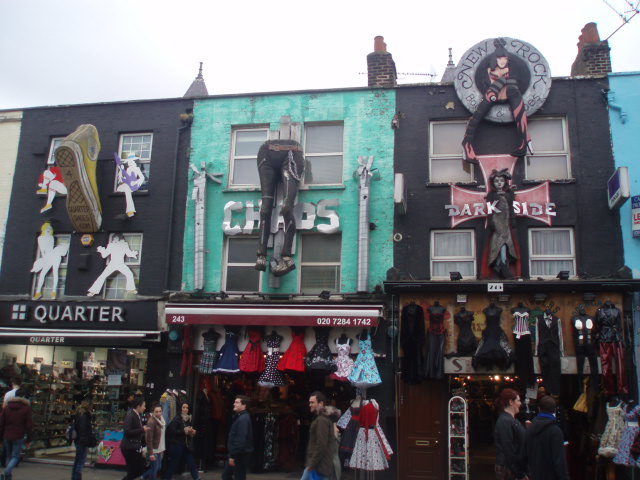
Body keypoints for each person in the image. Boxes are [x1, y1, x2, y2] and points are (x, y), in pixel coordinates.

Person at [462, 37, 532, 163]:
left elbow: (514, 82)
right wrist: (502, 82)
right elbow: (489, 86)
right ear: (495, 58)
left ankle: (524, 140)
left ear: (507, 59)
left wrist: (500, 82)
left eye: (504, 58)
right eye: (499, 58)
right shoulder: (490, 71)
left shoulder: (511, 70)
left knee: (512, 89)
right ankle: (467, 142)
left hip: (506, 94)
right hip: (493, 95)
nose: (502, 61)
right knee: (483, 106)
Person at [524, 395, 569, 480]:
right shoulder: (555, 431)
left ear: (539, 408)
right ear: (554, 410)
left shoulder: (529, 429)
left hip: (533, 475)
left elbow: (524, 455)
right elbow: (559, 461)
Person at [486, 168, 516, 278]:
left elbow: (512, 208)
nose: (499, 183)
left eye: (501, 181)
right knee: (499, 243)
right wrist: (491, 222)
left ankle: (500, 264)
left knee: (504, 243)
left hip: (505, 222)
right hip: (496, 222)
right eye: (496, 181)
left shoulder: (509, 194)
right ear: (493, 183)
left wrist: (513, 219)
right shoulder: (491, 195)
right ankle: (501, 264)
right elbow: (490, 210)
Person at [301, 391, 337, 480]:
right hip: (318, 465)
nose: (310, 405)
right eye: (309, 402)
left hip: (319, 467)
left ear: (321, 403)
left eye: (312, 402)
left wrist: (312, 464)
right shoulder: (321, 418)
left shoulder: (322, 420)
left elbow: (321, 444)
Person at [494, 389, 527, 480]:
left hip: (511, 468)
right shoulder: (505, 421)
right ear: (511, 402)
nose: (520, 403)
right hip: (508, 469)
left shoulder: (511, 420)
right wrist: (518, 472)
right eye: (518, 400)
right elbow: (508, 448)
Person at [0, 388, 33, 480]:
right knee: (15, 456)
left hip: (7, 434)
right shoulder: (26, 408)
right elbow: (29, 425)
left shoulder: (7, 407)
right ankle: (7, 471)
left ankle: (8, 476)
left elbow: (2, 423)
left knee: (9, 456)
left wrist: (1, 437)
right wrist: (29, 439)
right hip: (19, 435)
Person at [164, 402, 200, 480]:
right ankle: (167, 478)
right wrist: (184, 431)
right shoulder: (177, 418)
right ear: (181, 408)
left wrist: (192, 431)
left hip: (185, 445)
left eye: (187, 408)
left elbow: (187, 430)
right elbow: (173, 431)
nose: (185, 409)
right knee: (174, 464)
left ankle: (197, 477)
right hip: (177, 445)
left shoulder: (188, 418)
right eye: (184, 407)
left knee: (191, 462)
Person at [222, 395, 253, 480]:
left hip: (239, 454)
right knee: (233, 475)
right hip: (238, 453)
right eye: (234, 402)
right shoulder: (241, 417)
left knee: (231, 476)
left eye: (237, 402)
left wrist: (233, 456)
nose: (234, 404)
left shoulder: (243, 419)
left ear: (244, 405)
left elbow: (241, 439)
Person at [121, 397, 149, 480]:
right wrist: (142, 429)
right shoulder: (130, 415)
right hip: (129, 447)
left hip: (135, 447)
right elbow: (127, 431)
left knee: (138, 470)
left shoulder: (137, 415)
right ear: (138, 406)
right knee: (133, 471)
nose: (145, 408)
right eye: (143, 406)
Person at [72, 400, 95, 480]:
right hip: (82, 441)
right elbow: (83, 430)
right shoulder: (84, 416)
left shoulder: (79, 414)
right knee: (80, 462)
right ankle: (77, 478)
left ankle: (74, 477)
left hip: (78, 440)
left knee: (77, 460)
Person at [143, 403, 166, 480]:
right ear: (153, 412)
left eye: (160, 411)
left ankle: (144, 476)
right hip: (154, 449)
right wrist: (151, 453)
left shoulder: (161, 420)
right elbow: (149, 438)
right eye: (156, 411)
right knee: (155, 470)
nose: (158, 413)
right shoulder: (151, 422)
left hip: (159, 448)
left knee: (158, 467)